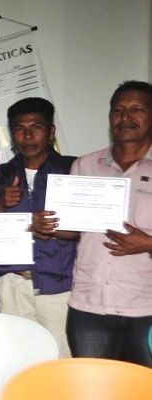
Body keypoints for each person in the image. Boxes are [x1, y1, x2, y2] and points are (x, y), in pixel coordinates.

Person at [62, 81, 152, 366]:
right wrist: (47, 224)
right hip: (89, 307)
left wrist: (147, 243)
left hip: (146, 308)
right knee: (93, 391)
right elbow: (74, 229)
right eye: (118, 110)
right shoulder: (83, 166)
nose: (126, 117)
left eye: (136, 109)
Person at [0, 97, 76, 358]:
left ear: (51, 132)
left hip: (60, 287)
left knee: (61, 364)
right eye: (19, 129)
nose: (28, 136)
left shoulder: (73, 169)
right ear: (12, 134)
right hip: (12, 285)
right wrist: (0, 204)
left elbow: (90, 230)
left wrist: (53, 228)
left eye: (36, 127)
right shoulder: (0, 176)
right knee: (17, 362)